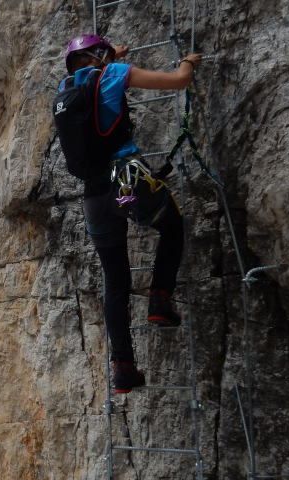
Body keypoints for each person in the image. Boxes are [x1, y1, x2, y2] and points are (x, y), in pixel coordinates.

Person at [58, 34, 203, 393]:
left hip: (94, 197)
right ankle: (159, 301)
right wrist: (189, 62)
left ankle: (123, 367)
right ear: (102, 56)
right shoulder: (114, 74)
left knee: (116, 281)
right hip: (128, 181)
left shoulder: (66, 90)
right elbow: (178, 82)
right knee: (172, 228)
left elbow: (96, 81)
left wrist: (111, 56)